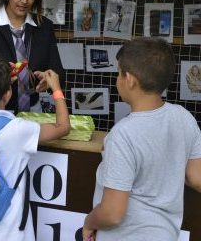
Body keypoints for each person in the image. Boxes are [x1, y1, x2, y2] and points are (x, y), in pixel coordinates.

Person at [83, 37, 201, 241]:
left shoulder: (122, 135)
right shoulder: (184, 117)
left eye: (118, 73)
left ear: (129, 79)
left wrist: (89, 222)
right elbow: (195, 177)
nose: (117, 79)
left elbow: (112, 213)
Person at [0, 51, 70, 241]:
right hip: (8, 227)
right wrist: (56, 89)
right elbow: (63, 127)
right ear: (8, 93)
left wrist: (0, 76)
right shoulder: (18, 129)